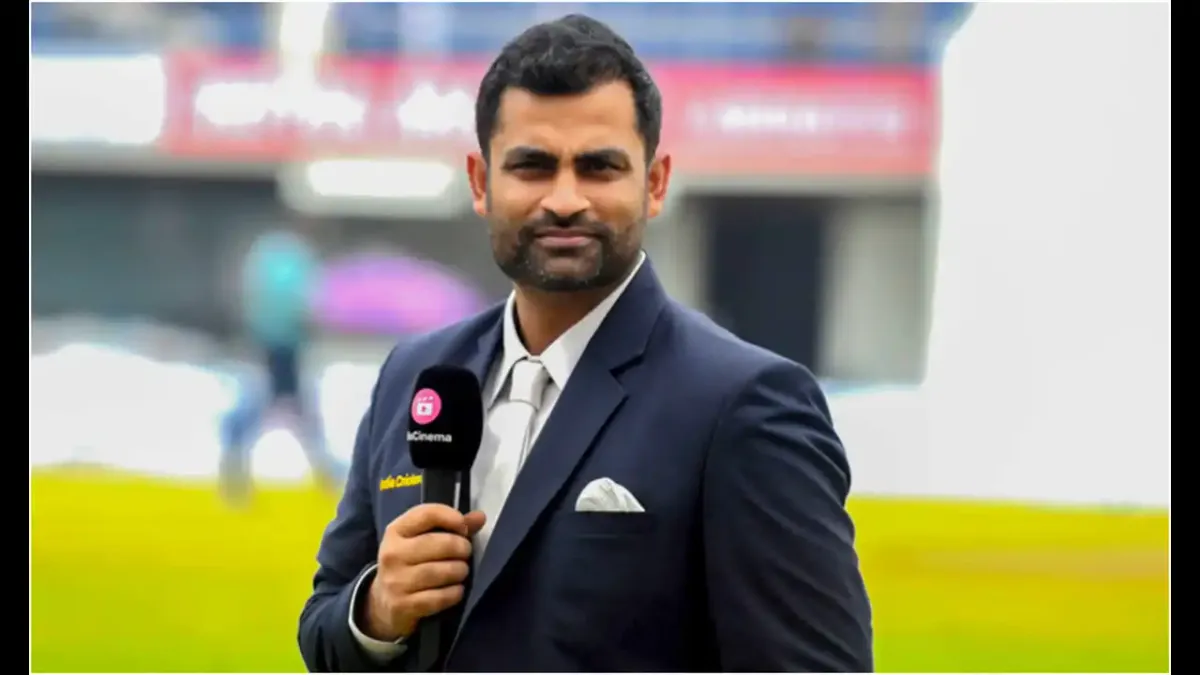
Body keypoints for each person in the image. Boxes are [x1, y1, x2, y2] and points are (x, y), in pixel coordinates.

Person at [298, 14, 873, 672]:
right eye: (532, 166)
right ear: (481, 183)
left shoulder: (742, 403)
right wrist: (375, 610)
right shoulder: (417, 373)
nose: (565, 199)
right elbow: (324, 631)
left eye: (599, 167)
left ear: (654, 183)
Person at [219, 224, 340, 502]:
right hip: (278, 349)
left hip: (273, 347)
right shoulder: (291, 257)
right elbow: (308, 305)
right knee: (292, 417)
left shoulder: (273, 255)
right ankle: (328, 480)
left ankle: (327, 479)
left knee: (280, 416)